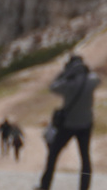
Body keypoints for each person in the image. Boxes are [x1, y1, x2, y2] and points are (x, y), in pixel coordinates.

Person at [38, 54, 100, 190]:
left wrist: (65, 73)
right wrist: (86, 71)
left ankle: (45, 185)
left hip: (68, 125)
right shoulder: (91, 81)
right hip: (86, 124)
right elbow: (98, 79)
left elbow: (53, 87)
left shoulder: (67, 84)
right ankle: (84, 187)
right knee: (85, 158)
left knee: (53, 154)